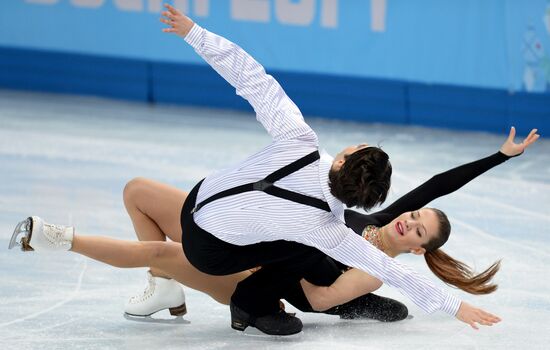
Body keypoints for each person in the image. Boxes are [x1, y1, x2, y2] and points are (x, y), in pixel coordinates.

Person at [10, 4, 503, 336]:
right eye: (415, 216)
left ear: (344, 157)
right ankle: (163, 286)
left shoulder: (301, 142)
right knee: (137, 190)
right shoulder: (332, 227)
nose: (409, 222)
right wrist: (454, 306)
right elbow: (400, 266)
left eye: (417, 229)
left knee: (161, 248)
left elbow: (253, 77)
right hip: (201, 209)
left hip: (214, 246)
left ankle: (62, 238)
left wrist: (195, 33)